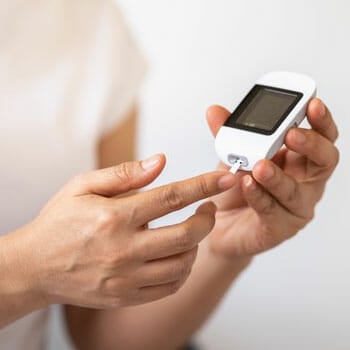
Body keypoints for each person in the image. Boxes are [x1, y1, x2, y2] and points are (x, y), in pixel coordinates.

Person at [0, 0, 339, 349]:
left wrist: (221, 249)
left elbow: (99, 336)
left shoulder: (89, 20)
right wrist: (28, 272)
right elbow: (40, 274)